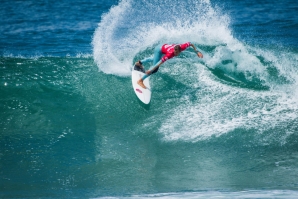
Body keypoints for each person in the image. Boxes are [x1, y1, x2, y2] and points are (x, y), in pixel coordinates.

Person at [135, 42, 203, 89]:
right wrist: (151, 70)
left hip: (162, 46)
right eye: (175, 52)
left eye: (177, 53)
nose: (175, 54)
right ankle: (140, 80)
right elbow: (159, 63)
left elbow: (191, 43)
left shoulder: (183, 47)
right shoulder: (170, 54)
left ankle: (140, 62)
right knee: (155, 69)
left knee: (154, 58)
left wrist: (197, 52)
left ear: (180, 50)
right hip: (159, 49)